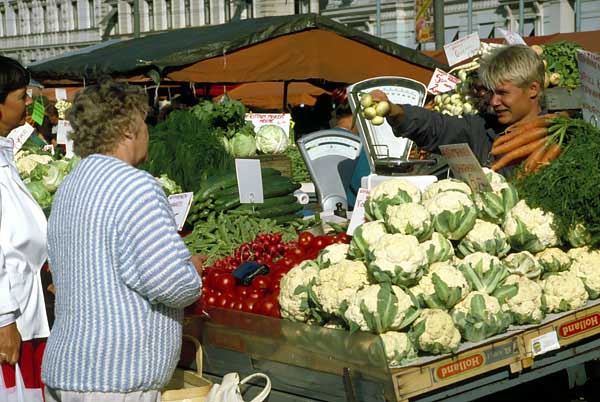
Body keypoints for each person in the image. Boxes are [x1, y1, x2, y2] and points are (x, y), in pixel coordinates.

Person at [42, 79, 204, 402]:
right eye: (144, 122)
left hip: (69, 372)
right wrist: (192, 272)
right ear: (129, 128)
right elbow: (170, 282)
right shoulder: (136, 187)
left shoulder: (70, 186)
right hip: (115, 381)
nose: (147, 132)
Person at [370, 45, 545, 175]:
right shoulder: (481, 129)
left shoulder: (562, 137)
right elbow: (438, 127)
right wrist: (397, 112)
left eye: (503, 93)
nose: (494, 101)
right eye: (491, 93)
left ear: (533, 89)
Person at [0, 56, 50, 390]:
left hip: (26, 313)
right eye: (22, 96)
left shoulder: (5, 154)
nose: (29, 102)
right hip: (10, 318)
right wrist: (3, 320)